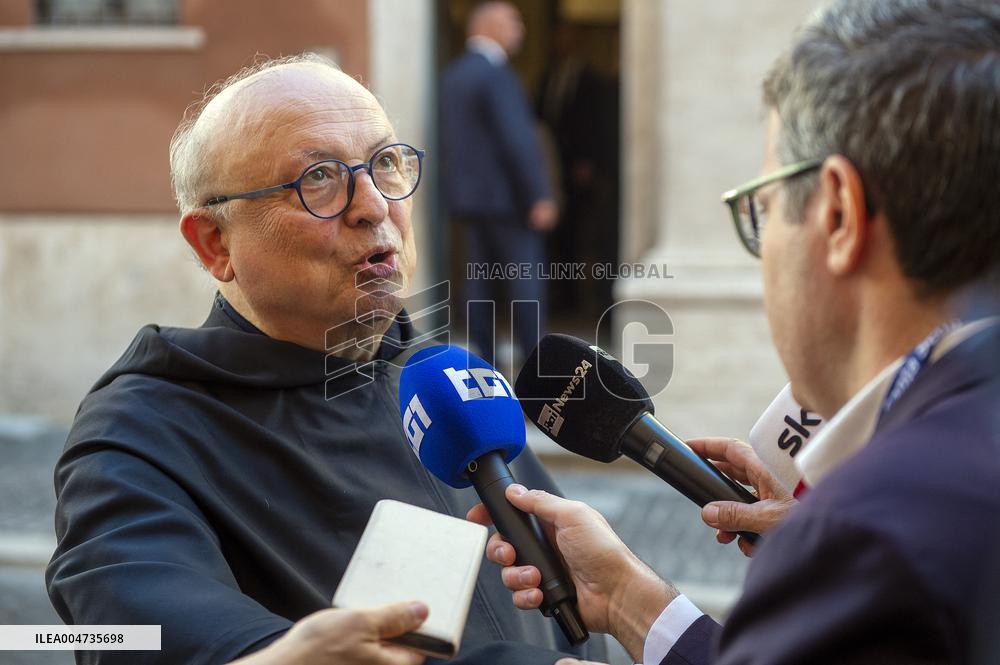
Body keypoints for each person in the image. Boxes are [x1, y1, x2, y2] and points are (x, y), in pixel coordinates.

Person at [470, 0, 1000, 663]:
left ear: (837, 213)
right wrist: (632, 598)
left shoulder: (874, 533)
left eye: (764, 208)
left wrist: (827, 551)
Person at [45, 55, 605, 665]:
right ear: (215, 243)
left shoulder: (446, 376)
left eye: (386, 163)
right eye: (318, 178)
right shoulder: (141, 431)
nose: (373, 207)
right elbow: (122, 637)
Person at [440, 1, 558, 365]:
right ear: (489, 26)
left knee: (479, 286)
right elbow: (516, 140)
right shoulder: (497, 75)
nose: (520, 30)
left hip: (472, 202)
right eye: (513, 22)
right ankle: (536, 379)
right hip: (510, 202)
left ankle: (486, 368)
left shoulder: (454, 75)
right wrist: (538, 194)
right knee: (525, 289)